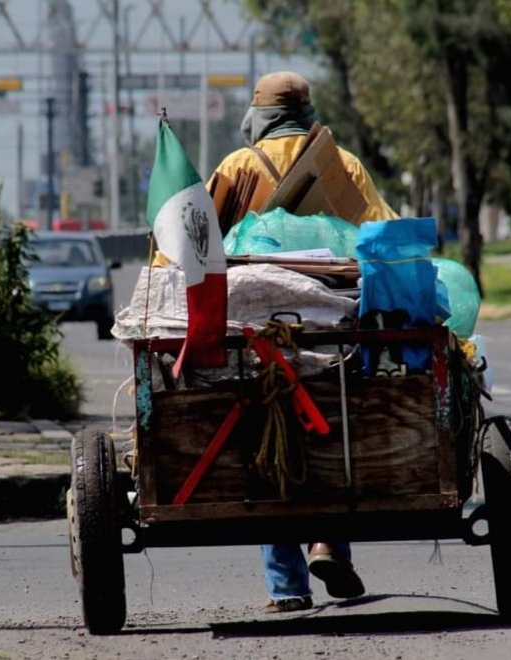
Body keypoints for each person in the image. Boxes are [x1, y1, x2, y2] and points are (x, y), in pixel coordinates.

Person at [212, 71, 400, 613]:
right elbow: (382, 236)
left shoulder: (238, 167)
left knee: (267, 435)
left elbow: (195, 244)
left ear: (259, 115)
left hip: (256, 339)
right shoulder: (342, 163)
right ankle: (328, 543)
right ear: (307, 113)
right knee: (333, 427)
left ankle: (286, 586)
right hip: (335, 331)